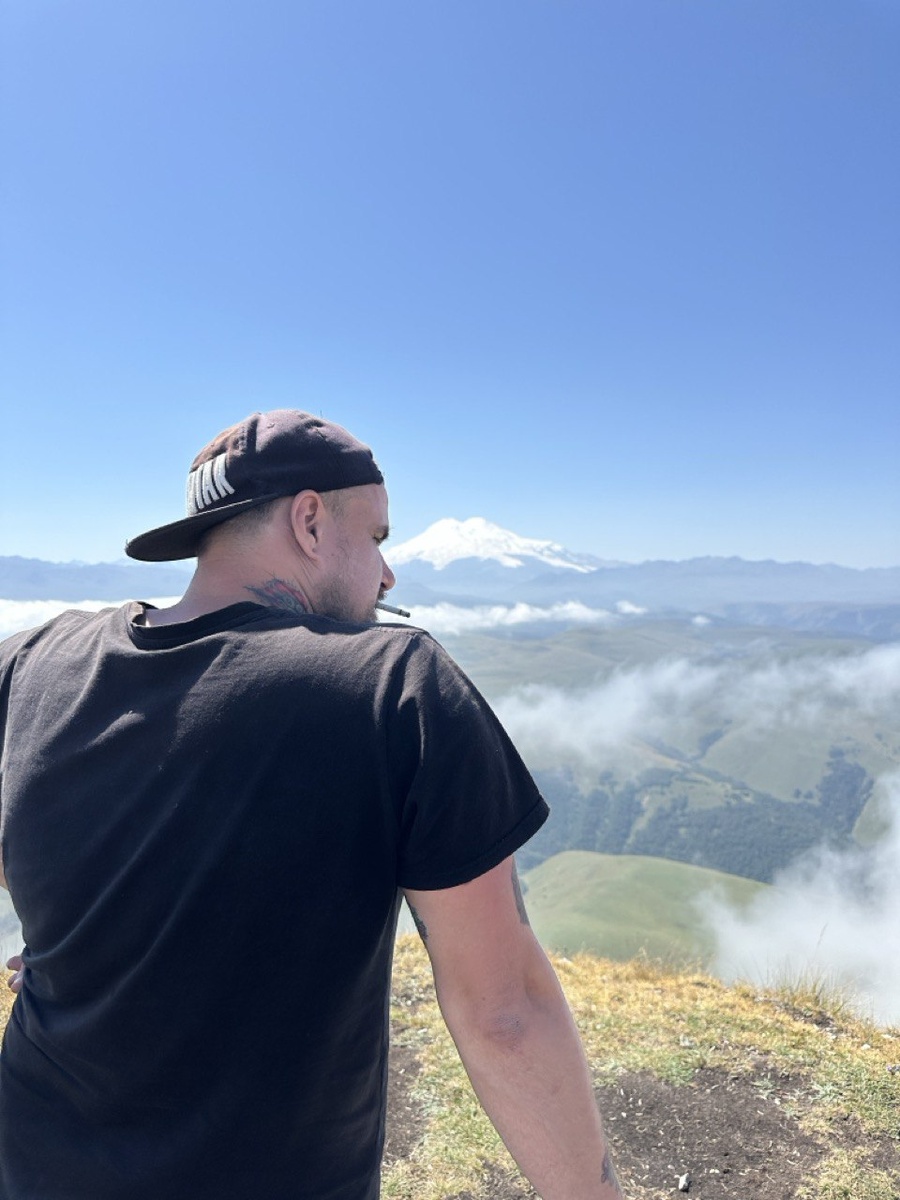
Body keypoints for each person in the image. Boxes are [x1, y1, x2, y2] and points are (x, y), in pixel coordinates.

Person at [0, 410, 623, 1200]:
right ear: (309, 521)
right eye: (378, 538)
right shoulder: (395, 685)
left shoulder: (32, 659)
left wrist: (68, 935)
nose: (388, 576)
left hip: (32, 1164)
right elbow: (506, 1015)